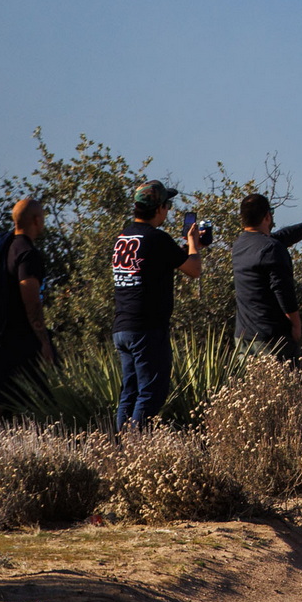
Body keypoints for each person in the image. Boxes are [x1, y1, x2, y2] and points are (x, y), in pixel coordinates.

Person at [111, 181, 204, 429]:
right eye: (168, 205)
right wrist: (193, 243)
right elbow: (194, 270)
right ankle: (137, 448)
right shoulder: (157, 238)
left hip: (123, 326)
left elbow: (159, 260)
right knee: (151, 393)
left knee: (129, 393)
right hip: (147, 329)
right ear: (160, 207)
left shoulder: (124, 237)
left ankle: (120, 450)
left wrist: (189, 248)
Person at [0, 197, 58, 424]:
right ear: (36, 220)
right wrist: (43, 340)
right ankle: (43, 439)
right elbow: (31, 299)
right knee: (42, 395)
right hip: (20, 338)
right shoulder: (27, 253)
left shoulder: (3, 248)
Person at [232, 194, 302, 361]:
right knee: (280, 386)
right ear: (267, 216)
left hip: (244, 338)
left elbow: (282, 237)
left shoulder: (240, 245)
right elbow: (282, 290)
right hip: (271, 340)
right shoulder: (271, 248)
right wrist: (295, 324)